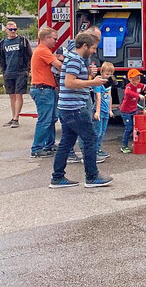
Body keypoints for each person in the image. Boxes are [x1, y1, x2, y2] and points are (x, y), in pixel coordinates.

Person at [49, 32, 111, 188]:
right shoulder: (75, 60)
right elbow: (70, 83)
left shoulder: (73, 58)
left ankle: (57, 178)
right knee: (90, 139)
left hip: (67, 107)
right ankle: (92, 177)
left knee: (66, 142)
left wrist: (89, 76)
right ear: (84, 45)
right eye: (93, 48)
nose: (94, 51)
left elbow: (72, 80)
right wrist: (93, 83)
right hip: (75, 108)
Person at [30, 26, 63, 158]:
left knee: (51, 119)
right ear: (47, 38)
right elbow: (59, 66)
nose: (56, 41)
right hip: (43, 89)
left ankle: (49, 145)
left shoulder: (43, 50)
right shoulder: (43, 50)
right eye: (54, 39)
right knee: (45, 120)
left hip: (45, 89)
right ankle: (37, 148)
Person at [0, 21, 33, 128]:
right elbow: (2, 58)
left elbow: (29, 55)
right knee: (12, 96)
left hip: (21, 72)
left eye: (15, 29)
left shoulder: (22, 41)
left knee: (19, 94)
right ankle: (13, 115)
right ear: (6, 31)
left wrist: (28, 69)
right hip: (9, 72)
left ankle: (16, 118)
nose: (13, 31)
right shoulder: (3, 43)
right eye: (11, 29)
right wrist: (3, 71)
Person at [119, 69, 146, 154]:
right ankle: (124, 146)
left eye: (138, 79)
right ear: (129, 79)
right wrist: (139, 95)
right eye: (134, 79)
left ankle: (135, 143)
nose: (136, 81)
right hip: (125, 111)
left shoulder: (140, 86)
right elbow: (128, 92)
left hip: (134, 110)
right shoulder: (128, 86)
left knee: (136, 128)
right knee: (128, 128)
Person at [93, 62, 115, 159]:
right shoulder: (98, 84)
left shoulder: (108, 84)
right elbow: (98, 98)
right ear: (101, 72)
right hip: (100, 110)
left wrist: (110, 109)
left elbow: (109, 97)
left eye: (110, 74)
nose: (108, 77)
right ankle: (94, 150)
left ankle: (98, 149)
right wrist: (97, 111)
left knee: (103, 131)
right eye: (106, 74)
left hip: (106, 110)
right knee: (98, 131)